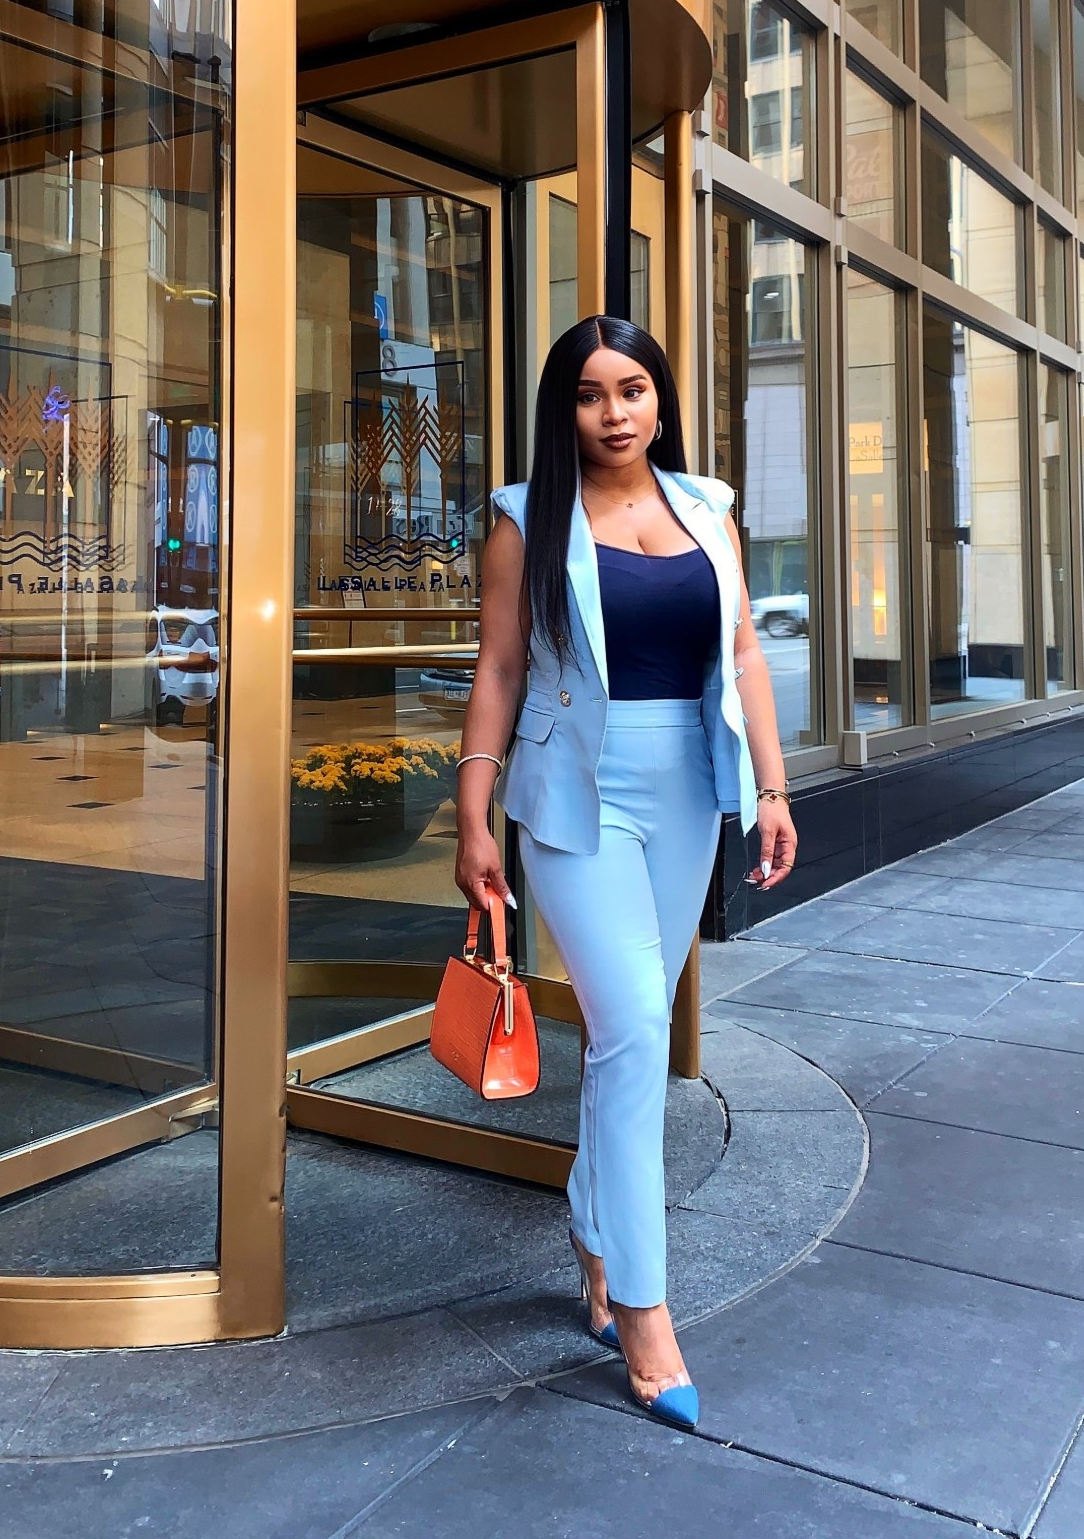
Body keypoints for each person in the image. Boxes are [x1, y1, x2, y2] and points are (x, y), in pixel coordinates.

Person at [453, 316, 797, 1433]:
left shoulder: (709, 506)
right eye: (592, 393)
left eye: (634, 388)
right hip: (575, 795)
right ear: (567, 410)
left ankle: (594, 1237)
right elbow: (501, 664)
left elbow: (742, 647)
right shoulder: (523, 517)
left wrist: (777, 789)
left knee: (624, 1038)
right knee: (639, 1023)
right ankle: (644, 1309)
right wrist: (473, 811)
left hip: (691, 785)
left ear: (660, 399)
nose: (615, 411)